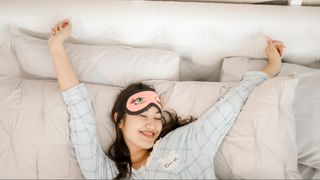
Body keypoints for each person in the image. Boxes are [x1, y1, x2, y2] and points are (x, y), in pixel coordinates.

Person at [49, 19, 285, 179]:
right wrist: (57, 47)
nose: (152, 124)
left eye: (156, 116)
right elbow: (79, 112)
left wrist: (271, 68)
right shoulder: (106, 172)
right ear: (119, 120)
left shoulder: (186, 143)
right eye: (142, 116)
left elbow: (229, 106)